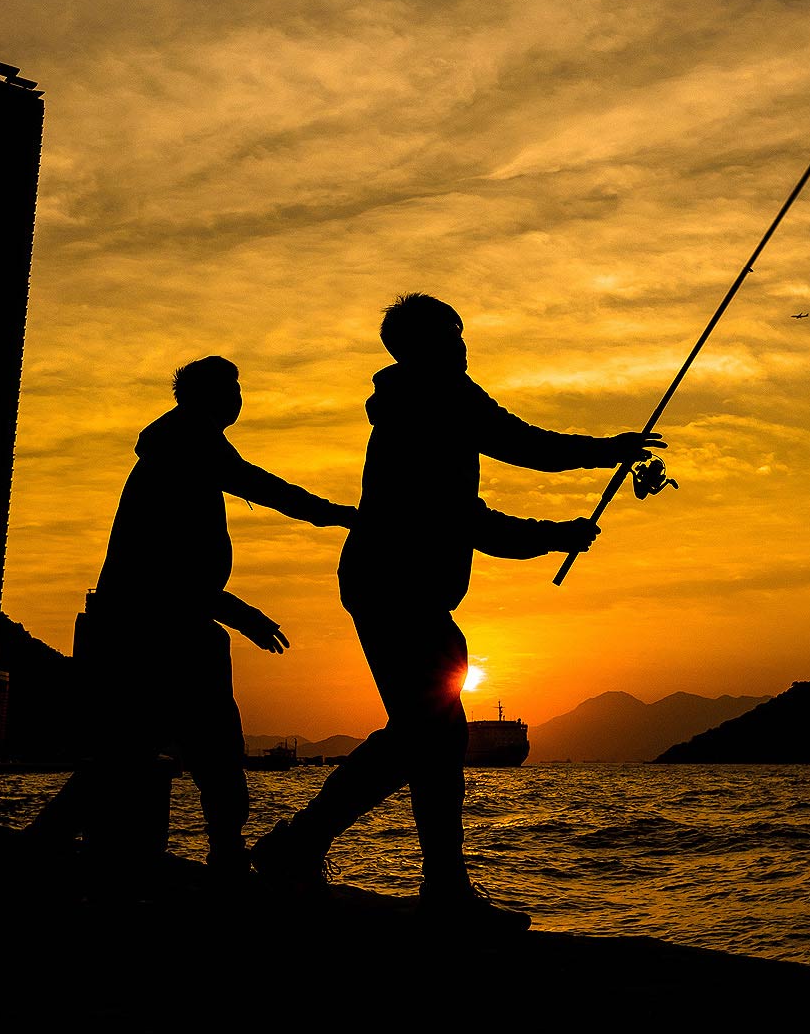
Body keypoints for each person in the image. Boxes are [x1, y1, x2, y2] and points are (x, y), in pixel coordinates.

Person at [252, 294, 660, 928]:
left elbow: (502, 466)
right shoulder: (434, 400)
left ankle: (310, 848)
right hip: (397, 588)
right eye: (452, 335)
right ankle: (427, 884)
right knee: (433, 736)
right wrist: (571, 506)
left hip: (388, 585)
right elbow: (501, 471)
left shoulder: (426, 398)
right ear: (422, 346)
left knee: (424, 735)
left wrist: (588, 479)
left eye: (461, 334)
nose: (463, 345)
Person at [27, 355, 355, 876]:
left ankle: (45, 850)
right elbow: (255, 496)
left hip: (158, 621)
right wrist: (339, 516)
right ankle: (225, 859)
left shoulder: (178, 444)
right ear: (209, 398)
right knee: (208, 749)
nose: (238, 399)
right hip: (163, 628)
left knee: (131, 753)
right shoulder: (189, 444)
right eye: (232, 389)